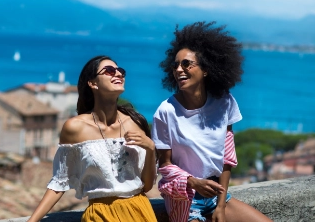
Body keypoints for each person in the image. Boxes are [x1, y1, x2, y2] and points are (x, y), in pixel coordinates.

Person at [151, 21, 272, 222]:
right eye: (175, 65)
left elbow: (227, 157)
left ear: (206, 69)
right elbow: (164, 165)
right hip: (184, 198)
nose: (179, 69)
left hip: (217, 195)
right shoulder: (165, 111)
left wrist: (221, 205)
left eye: (186, 64)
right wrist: (193, 182)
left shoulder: (225, 102)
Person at [28, 55, 158, 222]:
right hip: (100, 215)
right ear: (93, 83)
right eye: (110, 71)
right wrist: (32, 221)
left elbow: (146, 186)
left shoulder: (135, 122)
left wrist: (150, 148)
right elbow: (59, 183)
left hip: (139, 212)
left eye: (120, 71)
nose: (118, 74)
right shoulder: (75, 128)